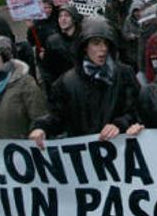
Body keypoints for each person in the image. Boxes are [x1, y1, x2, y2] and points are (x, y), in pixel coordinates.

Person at [30, 17, 140, 145]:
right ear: (84, 47)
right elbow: (57, 117)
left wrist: (120, 124)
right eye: (96, 43)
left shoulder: (124, 74)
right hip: (86, 155)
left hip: (120, 149)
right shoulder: (66, 83)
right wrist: (41, 127)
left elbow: (136, 110)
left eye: (106, 43)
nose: (103, 48)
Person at [40, 5, 83, 93]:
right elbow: (47, 70)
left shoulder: (83, 39)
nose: (63, 19)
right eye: (60, 16)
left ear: (74, 19)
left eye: (66, 15)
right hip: (62, 89)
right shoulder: (52, 41)